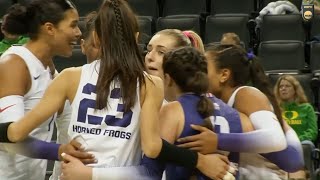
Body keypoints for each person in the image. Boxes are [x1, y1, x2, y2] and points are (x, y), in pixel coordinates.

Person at [0, 1, 231, 180]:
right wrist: (198, 160)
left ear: (97, 38)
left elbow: (16, 133)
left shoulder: (69, 77)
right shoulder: (150, 83)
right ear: (137, 37)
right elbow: (152, 148)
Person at [177, 44, 304, 179]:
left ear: (224, 75)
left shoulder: (244, 94)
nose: (198, 74)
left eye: (204, 69)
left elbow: (277, 141)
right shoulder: (215, 103)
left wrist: (218, 141)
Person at [0, 0, 84, 179]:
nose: (79, 33)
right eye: (73, 26)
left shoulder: (49, 69)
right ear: (49, 29)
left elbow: (67, 119)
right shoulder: (13, 65)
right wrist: (59, 151)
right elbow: (9, 138)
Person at [274, 74, 318, 179]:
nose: (283, 89)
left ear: (295, 90)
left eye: (287, 86)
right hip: (281, 142)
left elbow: (313, 131)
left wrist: (297, 140)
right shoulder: (275, 109)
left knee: (305, 145)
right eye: (281, 87)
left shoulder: (306, 108)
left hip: (302, 142)